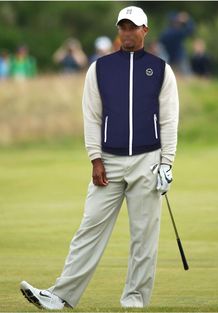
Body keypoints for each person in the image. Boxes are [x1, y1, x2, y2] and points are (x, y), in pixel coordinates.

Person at [20, 6, 179, 310]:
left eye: (133, 27)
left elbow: (169, 120)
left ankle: (134, 301)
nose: (127, 32)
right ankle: (60, 295)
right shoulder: (100, 68)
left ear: (144, 31)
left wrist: (167, 164)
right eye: (123, 27)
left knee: (144, 239)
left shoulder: (161, 70)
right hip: (108, 161)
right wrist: (95, 158)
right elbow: (91, 117)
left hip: (148, 160)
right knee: (89, 229)